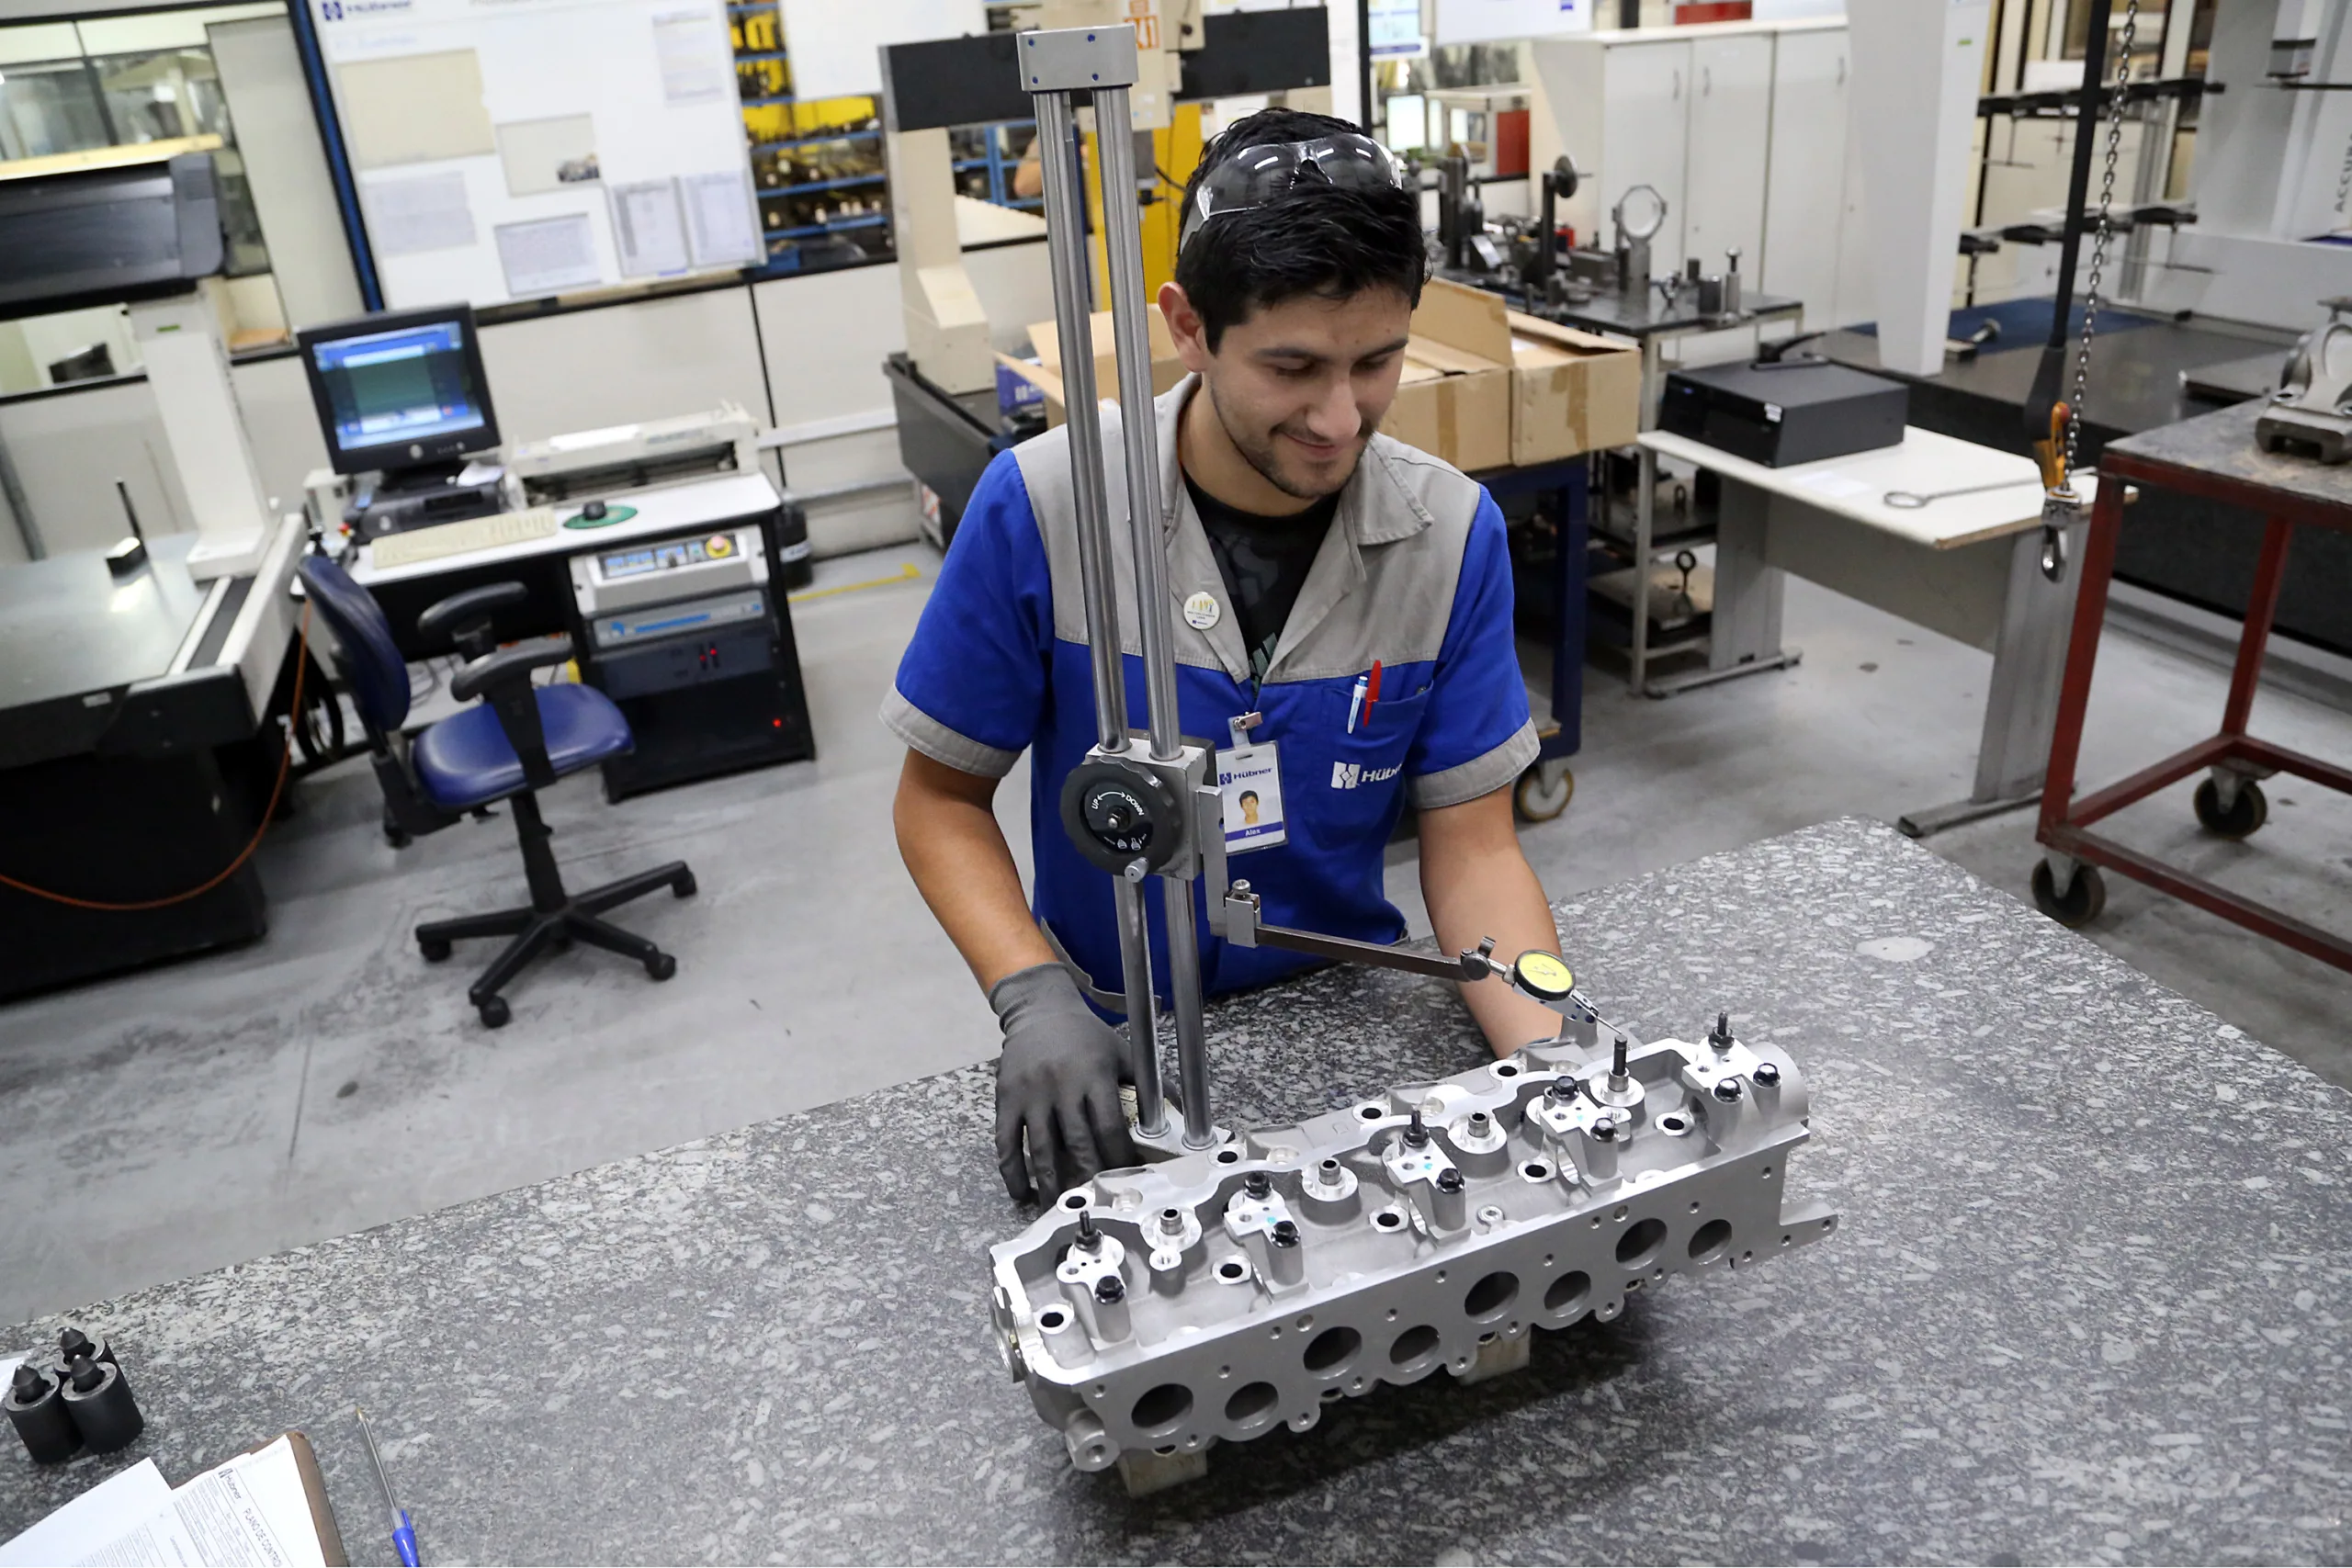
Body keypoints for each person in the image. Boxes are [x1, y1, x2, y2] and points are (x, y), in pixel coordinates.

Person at [887, 107, 1566, 1203]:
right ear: (1188, 326)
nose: (1340, 418)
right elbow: (939, 801)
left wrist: (1552, 1068)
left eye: (1378, 361)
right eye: (1292, 367)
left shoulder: (1449, 534)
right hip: (1116, 1038)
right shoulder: (1047, 507)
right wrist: (1033, 994)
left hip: (1350, 1012)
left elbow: (1477, 848)